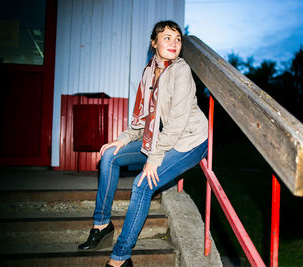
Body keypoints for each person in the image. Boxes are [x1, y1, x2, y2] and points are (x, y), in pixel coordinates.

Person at [78, 20, 208, 267]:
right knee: (110, 156)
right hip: (161, 139)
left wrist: (154, 159)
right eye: (167, 37)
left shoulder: (181, 71)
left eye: (178, 39)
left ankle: (121, 257)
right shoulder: (149, 71)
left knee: (142, 183)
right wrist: (121, 139)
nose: (174, 43)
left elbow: (177, 122)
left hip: (189, 140)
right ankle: (102, 224)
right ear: (154, 43)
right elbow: (142, 121)